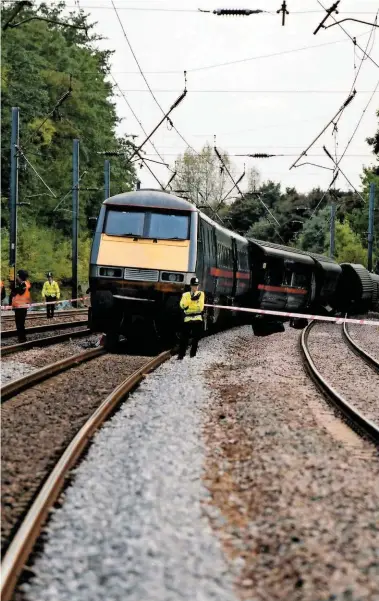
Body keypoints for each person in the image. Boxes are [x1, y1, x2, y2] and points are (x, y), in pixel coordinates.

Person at [178, 276, 205, 359]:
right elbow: (182, 305)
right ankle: (181, 355)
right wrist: (191, 300)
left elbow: (200, 307)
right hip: (188, 319)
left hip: (197, 319)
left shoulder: (201, 294)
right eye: (194, 285)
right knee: (184, 339)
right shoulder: (185, 295)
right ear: (190, 286)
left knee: (195, 339)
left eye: (196, 286)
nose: (195, 287)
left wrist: (190, 304)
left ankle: (192, 355)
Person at [9, 269, 31, 343]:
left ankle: (22, 338)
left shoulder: (24, 285)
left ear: (21, 277)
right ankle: (21, 337)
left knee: (20, 324)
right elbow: (13, 292)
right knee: (18, 323)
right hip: (18, 307)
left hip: (22, 307)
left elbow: (20, 292)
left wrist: (14, 287)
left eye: (18, 276)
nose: (17, 278)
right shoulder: (21, 284)